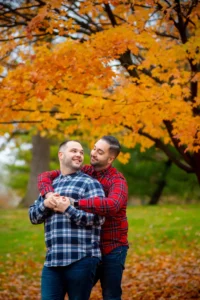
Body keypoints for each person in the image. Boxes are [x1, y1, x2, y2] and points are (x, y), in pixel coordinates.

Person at [38, 136, 129, 300]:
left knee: (110, 295)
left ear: (110, 158)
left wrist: (76, 203)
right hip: (88, 249)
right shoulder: (87, 171)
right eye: (94, 148)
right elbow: (45, 176)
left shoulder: (117, 181)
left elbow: (112, 205)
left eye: (99, 152)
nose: (93, 153)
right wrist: (48, 193)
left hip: (112, 247)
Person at [29, 140, 105, 300]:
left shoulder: (90, 183)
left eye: (81, 152)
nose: (79, 155)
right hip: (53, 262)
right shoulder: (50, 188)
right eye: (73, 151)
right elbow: (33, 217)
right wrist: (45, 204)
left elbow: (99, 218)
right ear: (61, 155)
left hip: (82, 259)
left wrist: (68, 209)